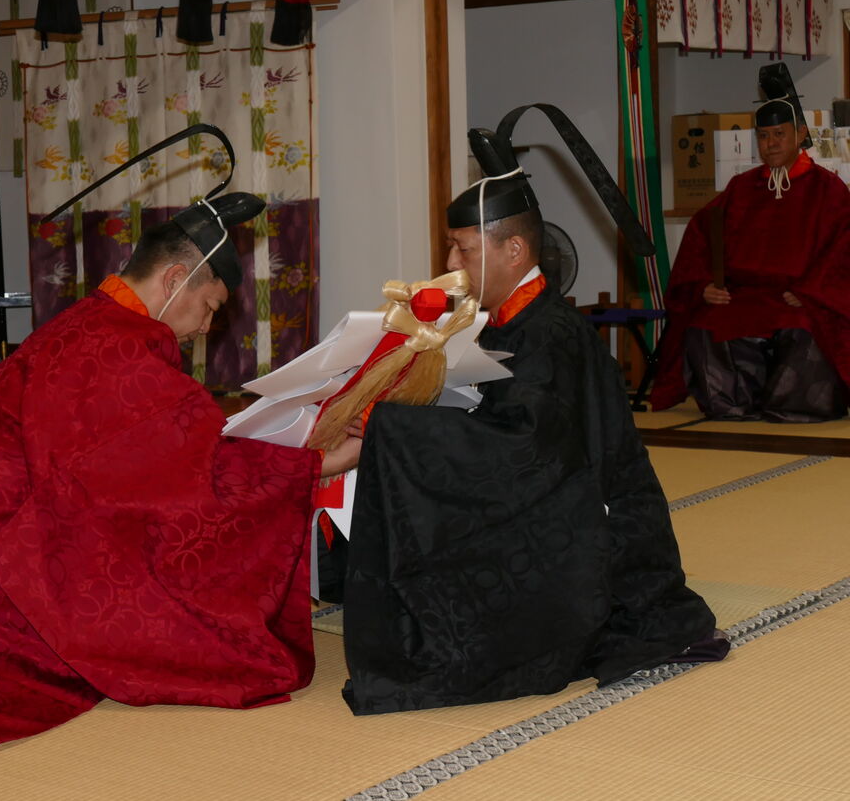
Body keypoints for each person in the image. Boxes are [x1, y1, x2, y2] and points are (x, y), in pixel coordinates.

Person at [0, 191, 362, 751]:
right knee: (190, 638)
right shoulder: (119, 349)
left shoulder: (96, 324)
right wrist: (314, 466)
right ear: (176, 279)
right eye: (209, 307)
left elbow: (162, 452)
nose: (206, 327)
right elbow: (185, 482)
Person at [340, 119, 725, 716]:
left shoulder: (549, 335)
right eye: (451, 245)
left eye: (464, 247)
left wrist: (394, 427)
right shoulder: (513, 323)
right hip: (553, 501)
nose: (449, 261)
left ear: (513, 249)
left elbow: (520, 449)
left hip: (593, 535)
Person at [651, 70, 850, 420]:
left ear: (800, 135)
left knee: (806, 326)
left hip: (799, 296)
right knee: (707, 323)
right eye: (763, 136)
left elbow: (842, 249)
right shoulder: (741, 188)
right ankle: (734, 406)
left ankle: (787, 407)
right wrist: (704, 286)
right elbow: (702, 235)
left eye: (779, 135)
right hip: (745, 295)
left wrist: (811, 291)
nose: (771, 143)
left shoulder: (828, 189)